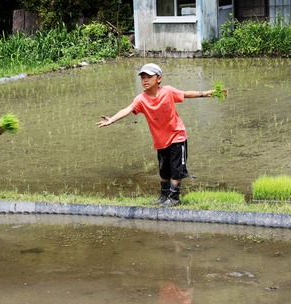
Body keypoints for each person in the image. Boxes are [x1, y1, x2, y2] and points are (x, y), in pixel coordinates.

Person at [96, 63, 226, 207]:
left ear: (159, 78)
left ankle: (174, 198)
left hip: (177, 136)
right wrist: (112, 119)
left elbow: (185, 94)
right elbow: (128, 109)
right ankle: (164, 196)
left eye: (149, 77)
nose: (145, 80)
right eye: (143, 78)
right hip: (160, 140)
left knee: (177, 170)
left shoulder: (168, 91)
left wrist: (206, 93)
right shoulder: (141, 99)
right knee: (164, 171)